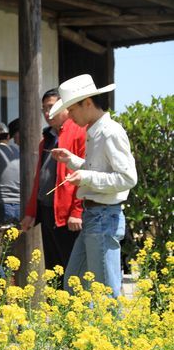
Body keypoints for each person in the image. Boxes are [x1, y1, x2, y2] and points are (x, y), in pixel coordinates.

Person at [49, 74, 137, 297]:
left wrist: (86, 176)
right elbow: (98, 169)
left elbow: (127, 178)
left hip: (104, 217)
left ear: (87, 102)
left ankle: (110, 332)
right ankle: (85, 331)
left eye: (72, 109)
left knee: (105, 292)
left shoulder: (109, 132)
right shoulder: (95, 130)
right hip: (94, 216)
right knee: (74, 284)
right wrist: (71, 160)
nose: (69, 115)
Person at [21, 89, 87, 273]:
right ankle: (54, 302)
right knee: (52, 268)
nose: (47, 112)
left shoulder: (79, 132)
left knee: (71, 268)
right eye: (44, 108)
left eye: (51, 106)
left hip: (67, 214)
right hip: (47, 210)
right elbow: (39, 181)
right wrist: (31, 211)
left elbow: (85, 174)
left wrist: (77, 210)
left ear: (65, 105)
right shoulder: (47, 138)